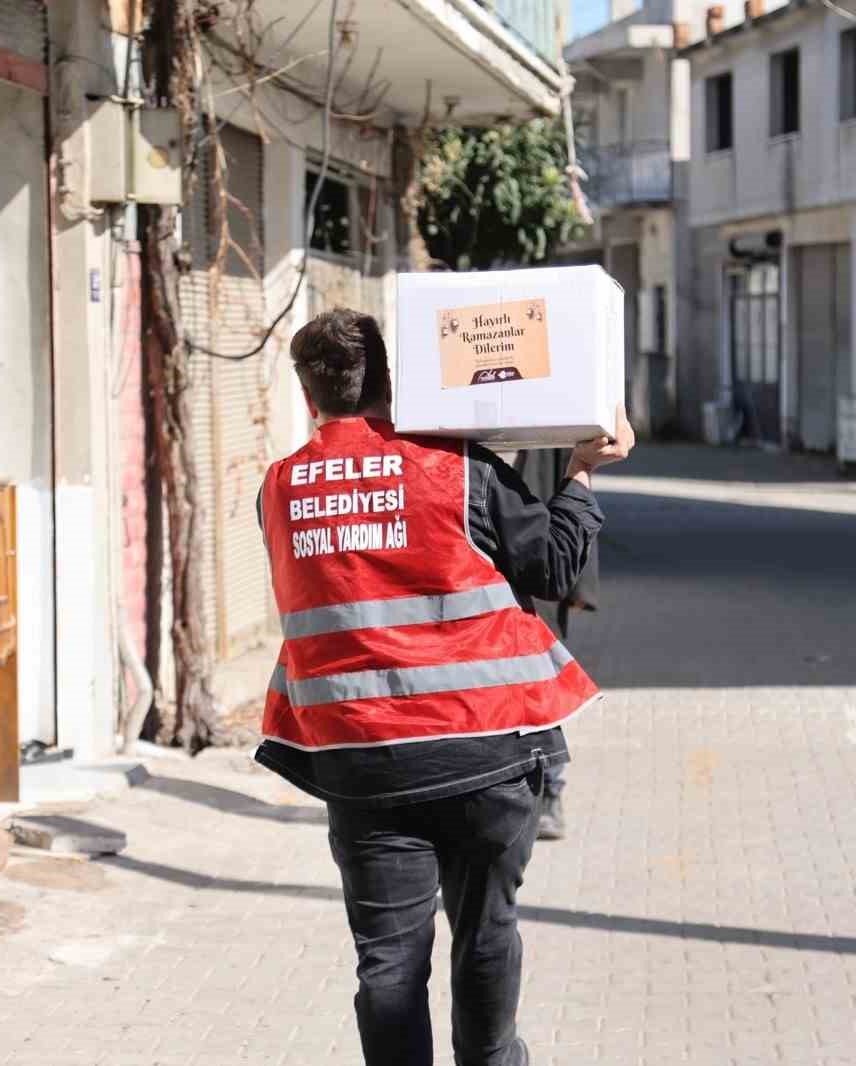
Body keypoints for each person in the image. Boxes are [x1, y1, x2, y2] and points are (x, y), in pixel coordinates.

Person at [253, 308, 633, 1066]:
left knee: (388, 962)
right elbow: (556, 569)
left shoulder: (280, 489)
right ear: (397, 384)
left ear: (307, 397)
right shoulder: (455, 466)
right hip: (484, 753)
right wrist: (582, 472)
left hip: (362, 765)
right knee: (486, 933)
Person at [510, 447, 603, 841]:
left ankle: (550, 792)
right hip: (488, 584)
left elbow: (574, 497)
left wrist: (581, 585)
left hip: (538, 583)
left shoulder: (546, 431)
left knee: (542, 691)